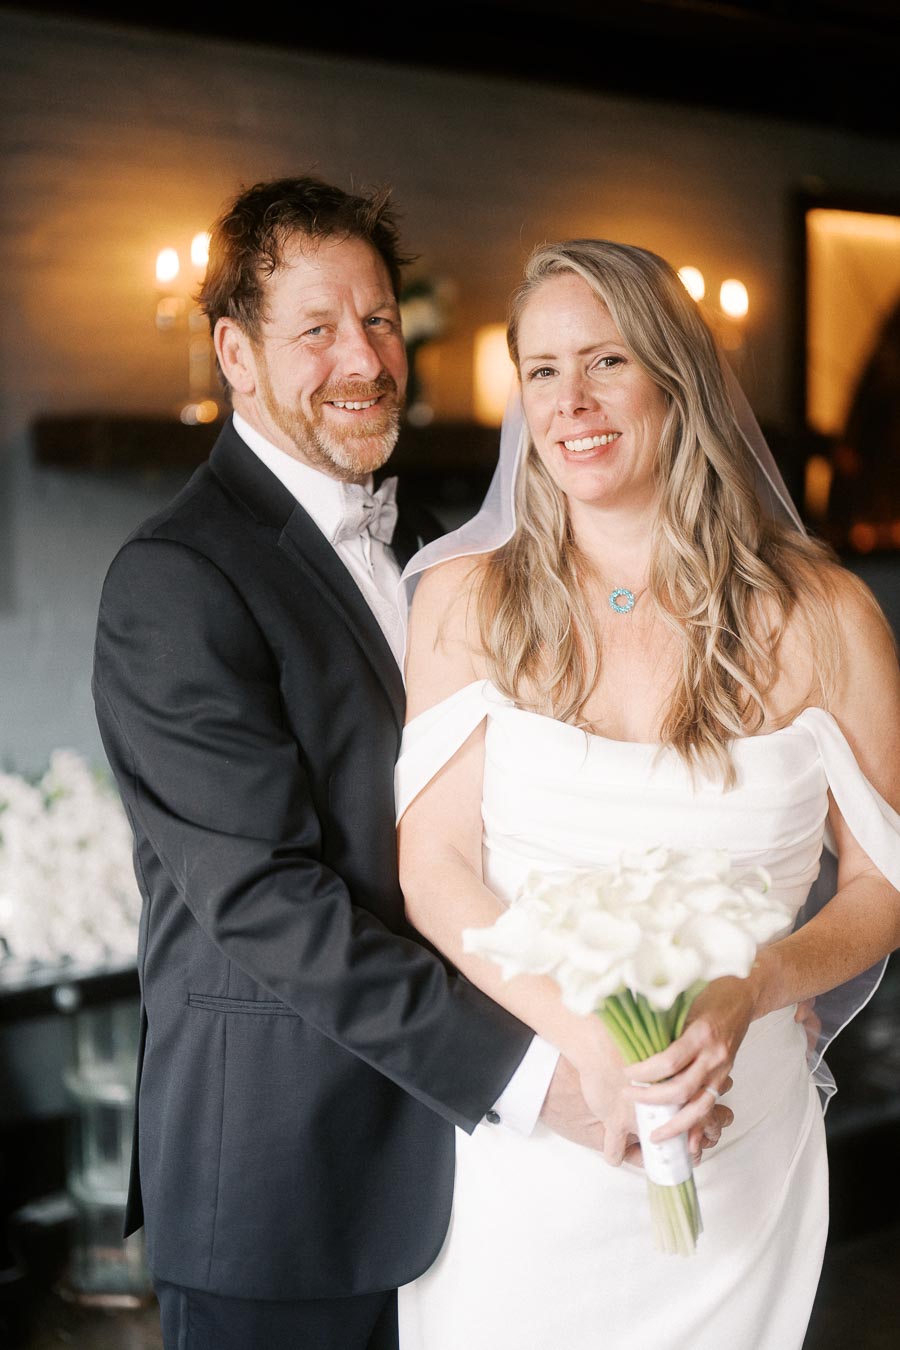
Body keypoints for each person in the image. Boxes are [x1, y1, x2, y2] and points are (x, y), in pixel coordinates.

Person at [93, 180, 708, 1350]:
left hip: (477, 1183)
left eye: (379, 322)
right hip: (287, 1180)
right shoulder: (175, 578)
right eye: (314, 329)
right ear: (235, 350)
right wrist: (542, 1078)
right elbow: (269, 907)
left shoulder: (445, 546)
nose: (361, 359)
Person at [394, 237, 900, 1350]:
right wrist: (589, 1051)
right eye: (540, 371)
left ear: (679, 374)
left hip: (739, 1135)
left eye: (606, 361)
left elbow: (882, 885)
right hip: (538, 1138)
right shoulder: (462, 598)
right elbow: (431, 866)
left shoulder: (828, 617)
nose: (569, 402)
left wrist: (757, 982)